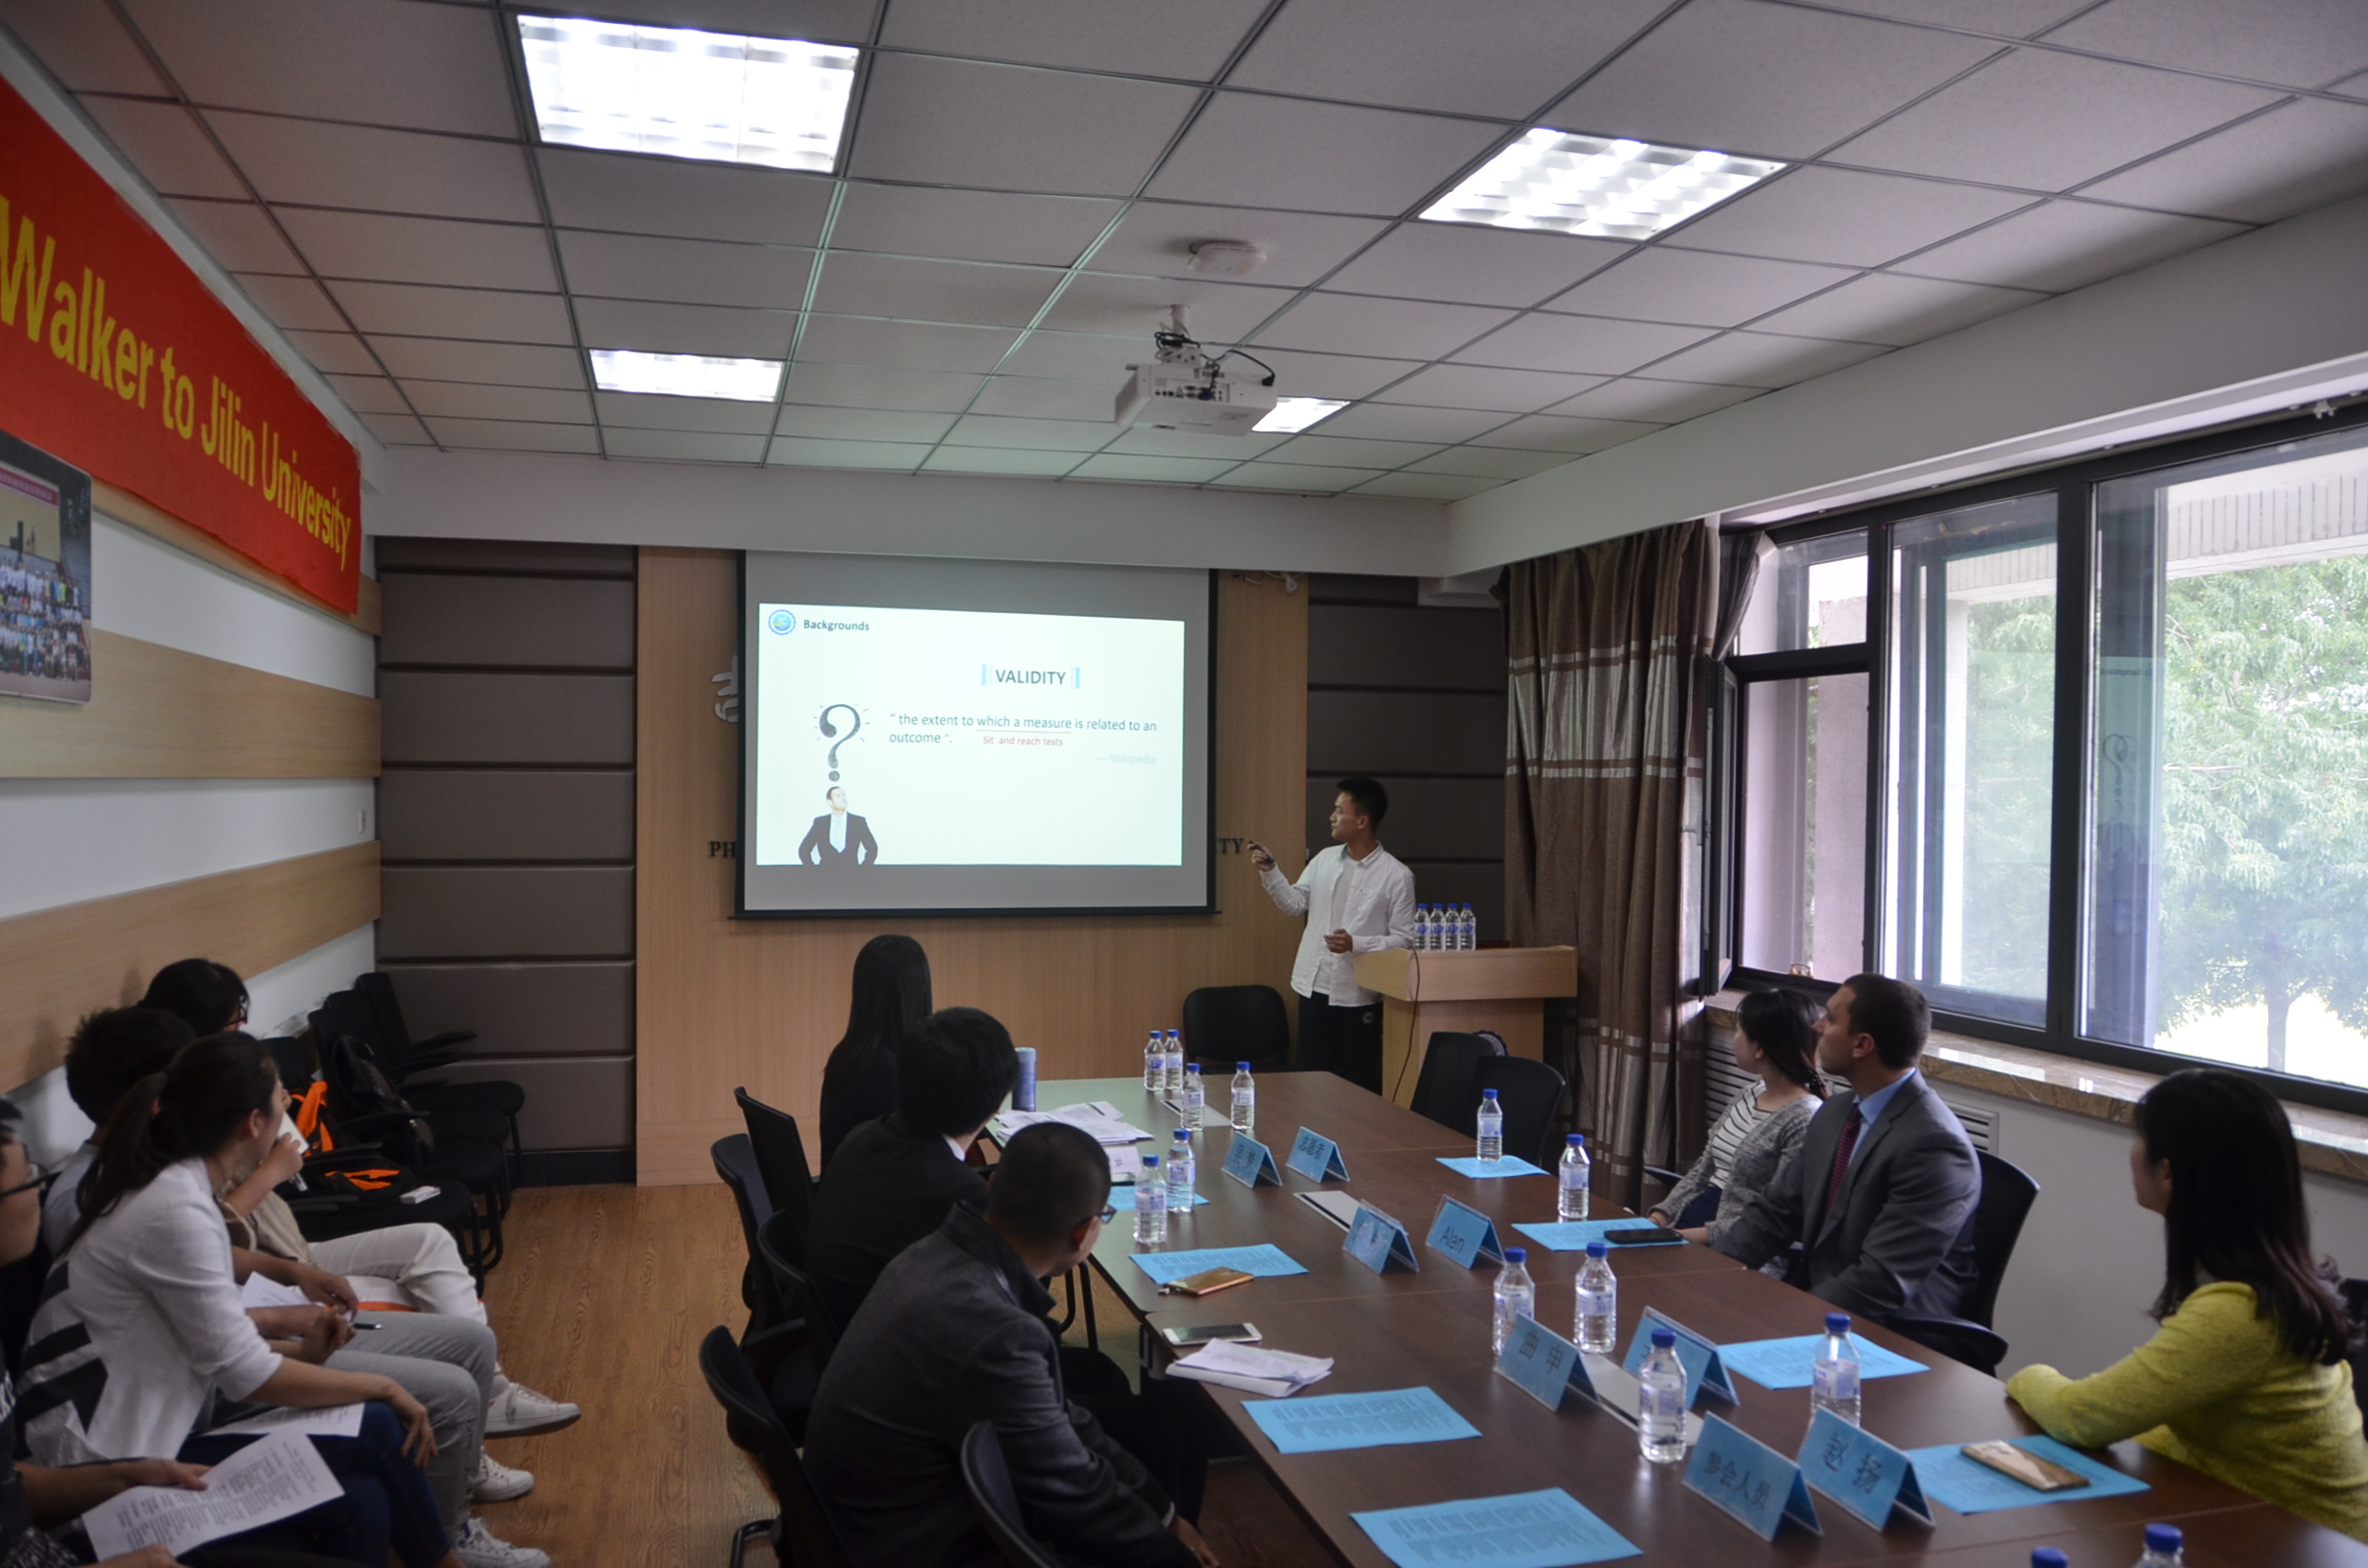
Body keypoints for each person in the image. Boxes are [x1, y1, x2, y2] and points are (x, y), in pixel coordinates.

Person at [40, 1017, 548, 1568]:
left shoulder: (173, 1190)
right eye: (281, 1099)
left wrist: (303, 1348)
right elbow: (241, 1370)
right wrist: (380, 1385)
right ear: (255, 1122)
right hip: (101, 1485)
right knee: (378, 1421)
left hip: (153, 1439)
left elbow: (205, 1343)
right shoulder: (173, 1205)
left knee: (363, 1500)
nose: (289, 1107)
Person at [115, 968, 581, 1445]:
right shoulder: (183, 1123)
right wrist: (271, 1170)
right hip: (264, 1272)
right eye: (234, 1023)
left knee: (429, 1241)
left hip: (289, 1248)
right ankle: (472, 1418)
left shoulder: (214, 1094)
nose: (241, 1032)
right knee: (404, 1301)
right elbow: (209, 1233)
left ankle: (492, 1394)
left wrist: (275, 1130)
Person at [804, 1122, 1214, 1568]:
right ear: (1084, 1234)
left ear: (994, 1184)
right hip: (905, 1545)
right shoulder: (996, 1332)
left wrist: (1163, 1513)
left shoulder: (935, 1251)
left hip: (864, 1519)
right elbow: (1072, 1490)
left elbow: (1057, 1416)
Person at [2007, 1069, 2368, 1542]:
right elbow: (2191, 1427)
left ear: (2169, 1173)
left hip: (2312, 1547)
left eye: (2140, 1138)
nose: (2133, 1150)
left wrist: (2024, 1376)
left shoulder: (2240, 1313)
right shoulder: (2272, 1284)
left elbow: (2081, 1417)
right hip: (2263, 1524)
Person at [1711, 974, 1981, 1322]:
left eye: (1831, 1019)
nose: (1817, 1027)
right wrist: (1712, 1275)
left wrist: (1789, 1319)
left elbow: (1879, 1281)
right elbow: (1774, 1213)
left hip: (1895, 1329)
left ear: (1861, 1045)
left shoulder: (1934, 1146)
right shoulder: (1837, 1111)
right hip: (1826, 1304)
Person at [804, 1006, 1008, 1334]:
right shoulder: (963, 1198)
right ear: (998, 1105)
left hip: (836, 1327)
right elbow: (1008, 1309)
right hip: (884, 1345)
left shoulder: (863, 1136)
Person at [1249, 775, 1416, 1092]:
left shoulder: (1397, 875)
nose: (1332, 817)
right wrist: (1271, 871)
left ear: (1362, 821)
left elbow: (1403, 939)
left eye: (1340, 810)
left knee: (1359, 1084)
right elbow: (1295, 904)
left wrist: (1357, 944)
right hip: (1314, 987)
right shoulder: (1324, 859)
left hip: (1359, 994)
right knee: (1310, 1083)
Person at [1650, 988, 1824, 1265]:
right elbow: (1704, 1168)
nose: (1734, 1038)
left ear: (1759, 1048)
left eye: (1739, 1030)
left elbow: (1777, 1217)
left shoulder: (1804, 1118)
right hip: (1689, 1228)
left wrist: (1676, 1236)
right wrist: (1658, 1219)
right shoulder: (1751, 1093)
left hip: (1737, 1251)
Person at [817, 935, 932, 1168]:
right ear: (918, 991)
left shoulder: (850, 1053)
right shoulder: (888, 1071)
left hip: (847, 1186)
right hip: (880, 1189)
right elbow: (925, 1158)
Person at [797, 787, 877, 868]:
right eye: (838, 796)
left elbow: (872, 848)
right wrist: (813, 871)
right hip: (825, 874)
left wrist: (863, 870)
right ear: (830, 802)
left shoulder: (858, 822)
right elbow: (804, 850)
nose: (843, 798)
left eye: (844, 795)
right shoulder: (820, 823)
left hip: (852, 874)